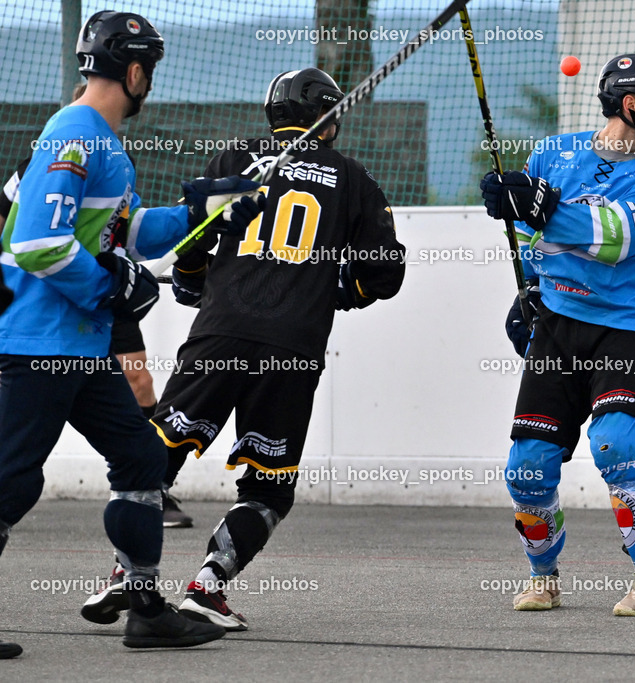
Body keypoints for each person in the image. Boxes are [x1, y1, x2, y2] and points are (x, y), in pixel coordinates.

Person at [84, 68, 406, 631]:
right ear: (326, 116)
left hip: (220, 333)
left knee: (156, 456)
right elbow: (386, 272)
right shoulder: (354, 178)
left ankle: (127, 572)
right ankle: (207, 590)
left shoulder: (235, 159)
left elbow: (192, 239)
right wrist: (336, 291)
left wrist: (192, 285)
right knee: (268, 487)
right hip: (292, 346)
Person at [0, 10, 265, 650]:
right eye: (151, 71)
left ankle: (145, 608)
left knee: (142, 459)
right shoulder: (75, 133)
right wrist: (108, 288)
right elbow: (37, 243)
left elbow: (133, 234)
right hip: (39, 345)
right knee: (10, 480)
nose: (151, 83)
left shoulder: (106, 143)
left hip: (80, 347)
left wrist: (203, 208)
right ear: (137, 72)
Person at [479, 54, 635, 616]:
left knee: (617, 445)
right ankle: (543, 575)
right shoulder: (552, 152)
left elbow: (614, 239)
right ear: (633, 105)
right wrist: (528, 284)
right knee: (527, 467)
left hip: (623, 324)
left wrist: (541, 207)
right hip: (557, 322)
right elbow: (528, 232)